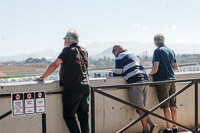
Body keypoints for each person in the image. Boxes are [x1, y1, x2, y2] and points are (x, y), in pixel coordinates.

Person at [35, 29, 90, 133]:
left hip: (73, 88)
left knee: (69, 116)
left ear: (68, 40)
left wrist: (42, 78)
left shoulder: (67, 50)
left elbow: (55, 64)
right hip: (86, 87)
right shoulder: (84, 50)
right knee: (84, 117)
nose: (64, 41)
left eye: (65, 39)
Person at [110, 45, 160, 133]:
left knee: (140, 108)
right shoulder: (132, 54)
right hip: (145, 79)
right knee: (140, 108)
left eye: (113, 52)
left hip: (136, 81)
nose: (114, 54)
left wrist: (110, 74)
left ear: (115, 51)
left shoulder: (120, 56)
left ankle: (146, 130)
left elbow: (117, 73)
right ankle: (151, 125)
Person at [149, 34, 178, 133]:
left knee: (166, 106)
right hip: (172, 79)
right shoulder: (171, 51)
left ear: (155, 42)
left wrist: (149, 73)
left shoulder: (158, 51)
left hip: (162, 80)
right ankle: (175, 128)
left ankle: (168, 129)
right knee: (173, 105)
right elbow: (176, 67)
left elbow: (155, 68)